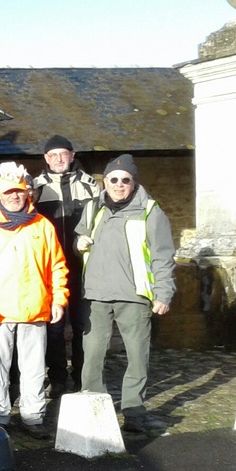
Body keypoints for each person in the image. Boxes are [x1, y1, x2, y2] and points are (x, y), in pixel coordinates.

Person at [0, 163, 69, 440]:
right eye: (9, 192)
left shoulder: (42, 224)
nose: (14, 196)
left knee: (34, 369)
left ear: (27, 193)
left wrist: (59, 299)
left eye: (19, 191)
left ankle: (33, 417)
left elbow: (57, 265)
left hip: (35, 308)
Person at [75, 154, 176, 432]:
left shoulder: (150, 211)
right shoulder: (92, 208)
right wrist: (78, 243)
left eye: (125, 180)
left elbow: (163, 256)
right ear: (105, 181)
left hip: (134, 295)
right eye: (114, 179)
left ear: (134, 182)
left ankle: (133, 412)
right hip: (96, 294)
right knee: (92, 355)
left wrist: (163, 293)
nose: (119, 184)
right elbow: (80, 239)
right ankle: (94, 407)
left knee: (137, 355)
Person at [32, 135, 100, 395]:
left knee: (84, 325)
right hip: (49, 268)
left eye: (63, 154)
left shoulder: (90, 186)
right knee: (54, 326)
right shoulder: (36, 188)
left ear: (72, 155)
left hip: (83, 266)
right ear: (46, 158)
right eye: (53, 155)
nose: (58, 159)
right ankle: (58, 377)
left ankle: (83, 378)